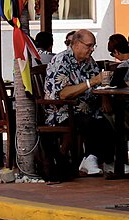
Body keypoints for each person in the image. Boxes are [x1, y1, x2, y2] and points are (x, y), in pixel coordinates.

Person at [43, 29, 115, 176]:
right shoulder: (61, 61)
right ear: (75, 44)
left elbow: (98, 83)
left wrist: (104, 97)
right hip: (63, 111)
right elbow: (63, 93)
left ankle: (102, 161)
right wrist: (91, 82)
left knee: (111, 121)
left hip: (88, 108)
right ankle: (91, 160)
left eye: (93, 46)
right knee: (95, 123)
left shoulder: (89, 61)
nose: (92, 49)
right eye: (89, 46)